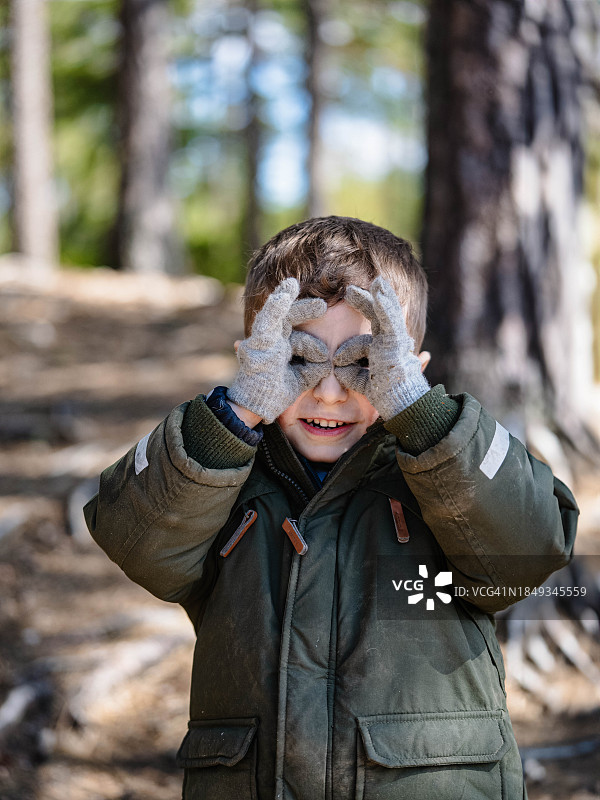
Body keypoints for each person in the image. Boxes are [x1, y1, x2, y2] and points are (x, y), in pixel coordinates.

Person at [84, 216, 578, 800]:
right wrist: (236, 412)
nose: (329, 392)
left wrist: (418, 414)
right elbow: (131, 533)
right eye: (299, 359)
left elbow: (531, 549)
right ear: (254, 356)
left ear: (411, 369)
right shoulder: (222, 475)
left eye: (365, 364)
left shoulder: (441, 464)